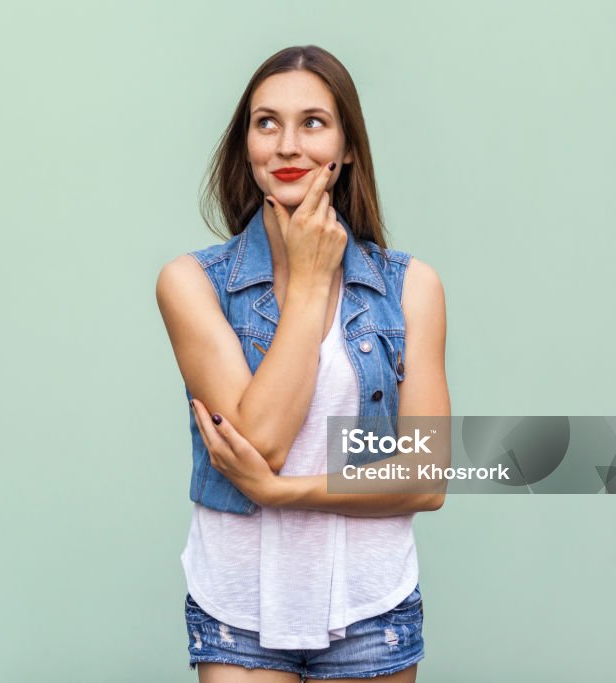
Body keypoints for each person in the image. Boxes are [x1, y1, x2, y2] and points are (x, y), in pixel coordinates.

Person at [156, 45, 450, 683]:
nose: (288, 145)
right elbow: (263, 441)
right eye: (267, 124)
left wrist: (281, 494)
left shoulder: (410, 288)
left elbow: (425, 477)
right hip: (237, 611)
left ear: (346, 147)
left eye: (313, 123)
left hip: (371, 608)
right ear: (247, 148)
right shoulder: (193, 283)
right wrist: (313, 284)